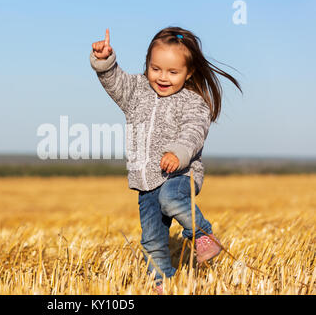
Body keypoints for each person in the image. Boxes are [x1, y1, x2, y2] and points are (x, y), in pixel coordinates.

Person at [89, 27, 242, 293]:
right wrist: (104, 62)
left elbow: (194, 133)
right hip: (146, 182)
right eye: (156, 68)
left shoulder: (194, 102)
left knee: (170, 199)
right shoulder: (136, 92)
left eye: (173, 72)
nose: (162, 77)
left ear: (189, 72)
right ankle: (163, 283)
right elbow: (114, 82)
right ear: (147, 64)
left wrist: (178, 154)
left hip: (180, 176)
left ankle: (203, 235)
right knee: (151, 240)